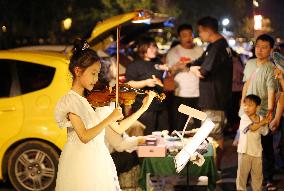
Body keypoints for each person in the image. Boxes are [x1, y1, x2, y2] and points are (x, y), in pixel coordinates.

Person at [54, 39, 156, 191]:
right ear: (77, 71)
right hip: (80, 161)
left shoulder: (94, 99)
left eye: (98, 74)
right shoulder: (71, 101)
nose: (96, 80)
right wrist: (109, 118)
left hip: (99, 158)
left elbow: (119, 128)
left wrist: (143, 108)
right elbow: (84, 136)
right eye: (93, 74)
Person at [186, 16, 233, 170]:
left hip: (214, 99)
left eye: (200, 31)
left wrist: (192, 69)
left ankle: (214, 171)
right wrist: (190, 65)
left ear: (207, 30)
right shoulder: (215, 46)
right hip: (213, 99)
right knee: (213, 135)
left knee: (213, 136)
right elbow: (198, 62)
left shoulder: (218, 47)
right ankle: (213, 169)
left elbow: (202, 72)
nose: (199, 35)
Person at [240, 34, 278, 190]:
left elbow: (271, 91)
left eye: (264, 47)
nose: (260, 50)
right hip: (248, 112)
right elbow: (246, 85)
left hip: (262, 112)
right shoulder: (249, 64)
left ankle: (268, 179)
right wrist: (242, 104)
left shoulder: (271, 68)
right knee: (249, 146)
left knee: (266, 146)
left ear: (271, 49)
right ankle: (251, 177)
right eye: (258, 46)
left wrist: (270, 111)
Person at [125, 36, 170, 135]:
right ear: (143, 48)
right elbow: (129, 84)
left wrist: (167, 72)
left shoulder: (158, 62)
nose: (154, 50)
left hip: (161, 106)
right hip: (144, 107)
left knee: (164, 135)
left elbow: (165, 79)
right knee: (147, 137)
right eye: (151, 47)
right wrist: (145, 83)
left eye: (155, 47)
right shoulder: (134, 65)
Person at [166, 24, 204, 131]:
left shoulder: (200, 50)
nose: (188, 38)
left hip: (198, 94)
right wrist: (176, 67)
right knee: (179, 126)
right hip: (181, 95)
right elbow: (167, 74)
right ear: (179, 37)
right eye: (184, 35)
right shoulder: (173, 52)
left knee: (199, 126)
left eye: (190, 35)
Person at [236, 94, 270, 191]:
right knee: (242, 176)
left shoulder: (260, 118)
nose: (246, 108)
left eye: (250, 105)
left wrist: (267, 122)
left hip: (257, 152)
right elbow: (253, 128)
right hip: (244, 151)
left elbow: (265, 132)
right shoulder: (244, 117)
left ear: (258, 107)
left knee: (257, 177)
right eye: (245, 105)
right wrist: (263, 122)